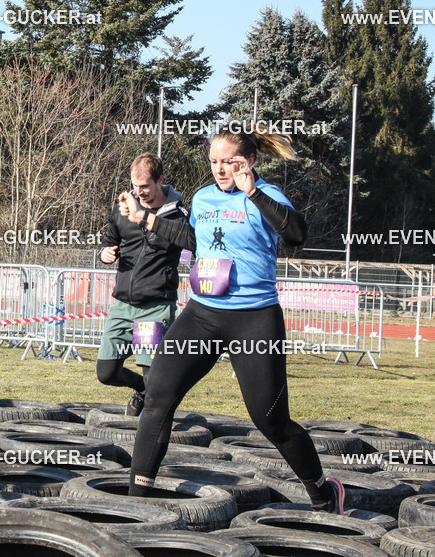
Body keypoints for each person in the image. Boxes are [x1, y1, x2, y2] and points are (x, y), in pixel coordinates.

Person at [127, 127, 344, 514]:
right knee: (158, 395)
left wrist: (253, 190)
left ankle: (324, 491)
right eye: (214, 161)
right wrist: (147, 219)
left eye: (228, 161)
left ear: (249, 161)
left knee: (271, 420)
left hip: (254, 319)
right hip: (202, 314)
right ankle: (134, 504)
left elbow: (296, 235)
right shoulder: (204, 197)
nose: (220, 169)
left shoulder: (266, 195)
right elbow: (194, 239)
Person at [97, 153, 195, 416]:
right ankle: (140, 388)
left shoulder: (178, 216)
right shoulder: (122, 209)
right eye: (134, 186)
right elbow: (109, 240)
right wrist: (105, 253)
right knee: (106, 373)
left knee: (154, 377)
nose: (138, 192)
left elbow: (192, 242)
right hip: (121, 306)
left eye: (145, 186)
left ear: (160, 181)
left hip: (154, 307)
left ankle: (151, 415)